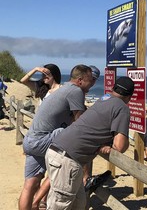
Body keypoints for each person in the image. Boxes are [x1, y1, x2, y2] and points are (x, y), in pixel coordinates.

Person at [45, 76, 135, 209]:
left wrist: (105, 143)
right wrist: (114, 144)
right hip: (67, 160)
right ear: (130, 97)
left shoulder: (104, 99)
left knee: (79, 203)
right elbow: (120, 146)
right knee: (60, 205)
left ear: (113, 88)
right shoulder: (122, 108)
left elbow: (96, 126)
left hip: (57, 150)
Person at [18, 64, 94, 210]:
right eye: (89, 80)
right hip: (42, 140)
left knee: (29, 186)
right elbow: (79, 124)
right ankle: (86, 177)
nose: (92, 83)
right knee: (67, 137)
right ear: (79, 80)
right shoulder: (75, 91)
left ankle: (36, 202)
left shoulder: (64, 89)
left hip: (31, 140)